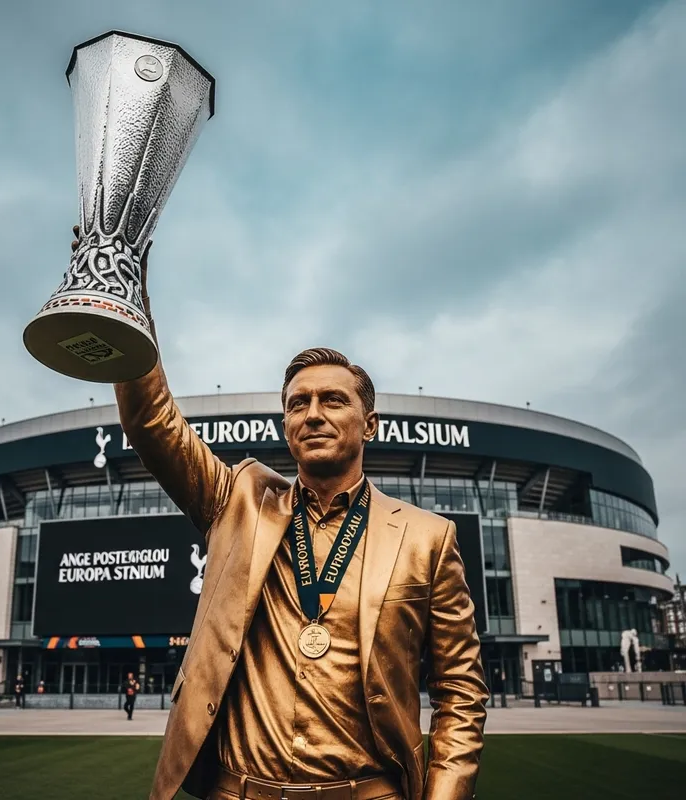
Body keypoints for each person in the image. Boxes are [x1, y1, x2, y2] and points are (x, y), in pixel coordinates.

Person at [76, 229, 488, 799]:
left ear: (370, 424)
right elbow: (152, 422)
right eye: (298, 404)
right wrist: (126, 291)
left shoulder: (427, 538)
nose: (313, 414)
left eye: (333, 400)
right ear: (286, 425)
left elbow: (461, 691)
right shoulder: (239, 500)